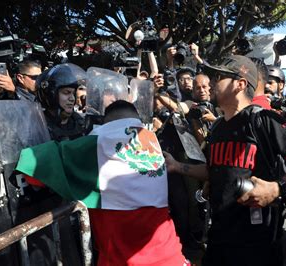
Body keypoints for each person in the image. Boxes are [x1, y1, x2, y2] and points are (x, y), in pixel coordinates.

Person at [165, 55, 286, 266]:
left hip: (257, 242)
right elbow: (216, 170)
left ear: (240, 84)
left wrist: (277, 188)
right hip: (219, 236)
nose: (209, 82)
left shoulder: (264, 119)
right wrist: (177, 166)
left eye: (217, 77)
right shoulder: (218, 127)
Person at [16, 100, 189, 266]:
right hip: (172, 256)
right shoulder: (151, 140)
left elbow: (34, 169)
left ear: (106, 124)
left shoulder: (99, 143)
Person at [35, 63, 86, 142]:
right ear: (51, 95)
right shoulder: (37, 127)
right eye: (66, 92)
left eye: (73, 93)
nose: (72, 99)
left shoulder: (82, 123)